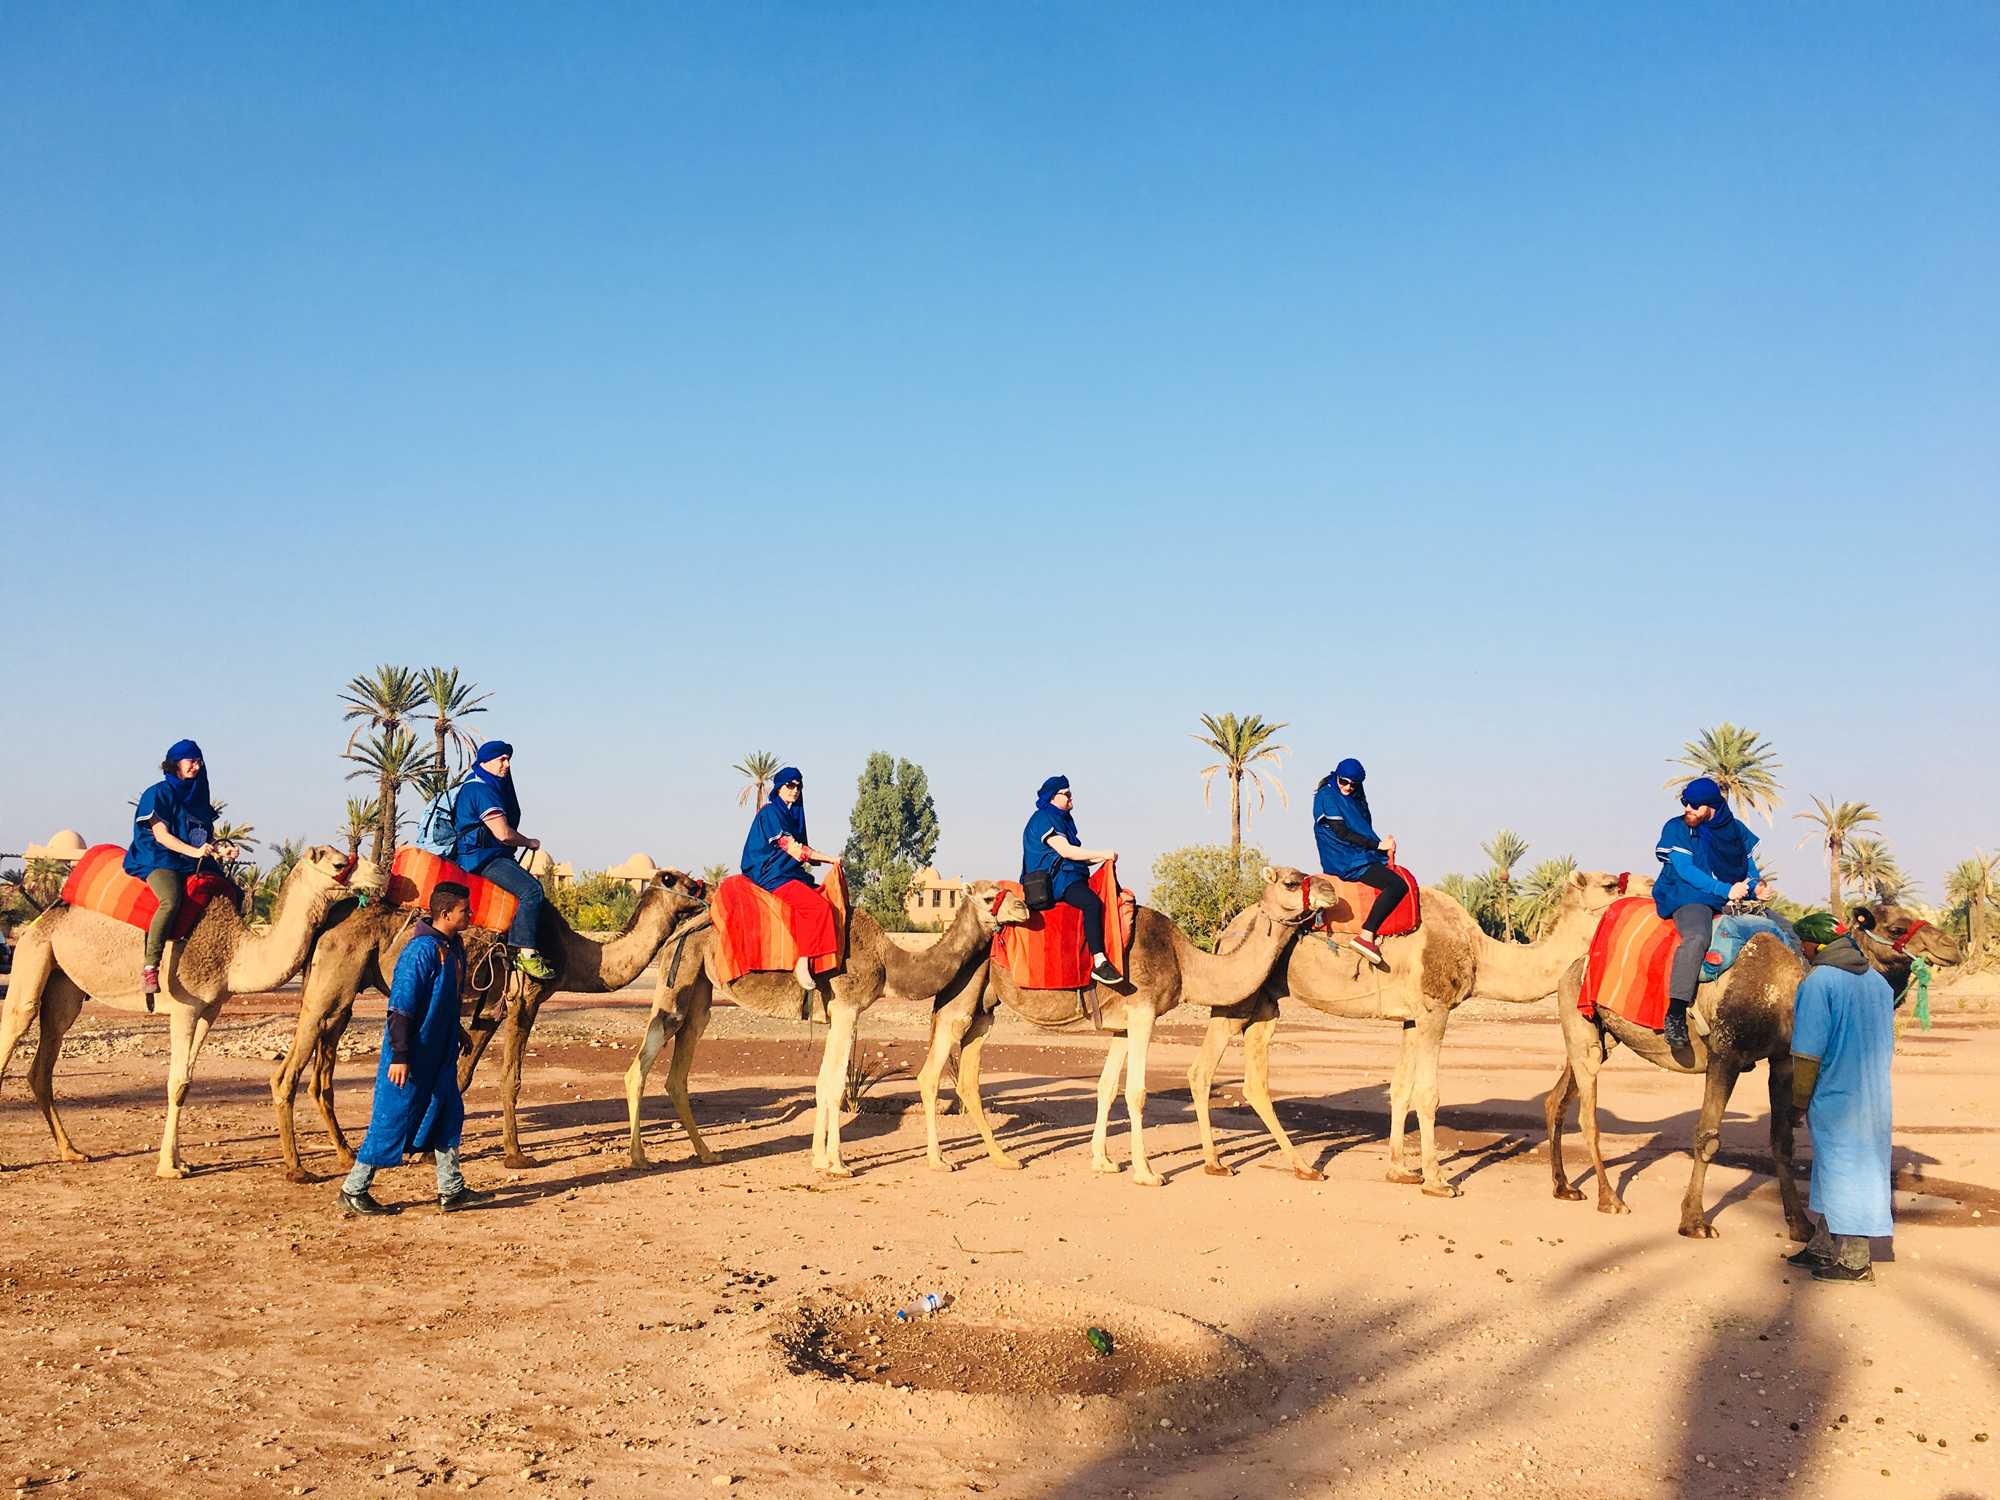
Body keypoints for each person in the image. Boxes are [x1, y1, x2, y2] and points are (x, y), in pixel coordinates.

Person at [338, 881, 492, 1216]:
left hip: (440, 1053)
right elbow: (401, 1006)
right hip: (410, 1055)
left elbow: (445, 1001)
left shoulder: (455, 947)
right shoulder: (420, 951)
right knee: (392, 1117)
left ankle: (451, 1189)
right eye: (465, 910)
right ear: (446, 913)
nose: (470, 915)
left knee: (447, 1114)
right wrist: (401, 1055)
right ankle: (353, 1189)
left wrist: (458, 1032)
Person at [1786, 910, 1896, 1284]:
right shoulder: (1879, 984)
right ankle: (1820, 1245)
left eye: (1803, 944)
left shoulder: (1820, 982)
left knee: (1846, 1168)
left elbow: (1807, 1052)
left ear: (1816, 944)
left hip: (1836, 1094)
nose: (1801, 950)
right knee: (1836, 1168)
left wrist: (1798, 1102)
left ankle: (1855, 1261)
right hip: (1874, 1091)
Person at [1653, 776, 1772, 1052]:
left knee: (1780, 933)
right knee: (1696, 938)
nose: (1688, 809)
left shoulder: (1737, 832)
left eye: (1695, 805)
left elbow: (1749, 875)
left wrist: (1758, 888)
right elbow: (1685, 870)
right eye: (1686, 803)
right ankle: (1675, 1012)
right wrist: (1725, 889)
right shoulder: (1677, 828)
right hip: (1687, 896)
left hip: (1724, 899)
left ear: (1712, 806)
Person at [122, 738, 239, 997]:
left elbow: (203, 837)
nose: (196, 767)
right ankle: (151, 965)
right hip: (157, 857)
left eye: (199, 762)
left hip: (189, 859)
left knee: (231, 892)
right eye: (191, 761)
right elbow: (161, 835)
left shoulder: (198, 799)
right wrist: (196, 852)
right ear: (175, 764)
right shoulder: (158, 794)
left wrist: (221, 849)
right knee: (171, 899)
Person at [452, 739, 554, 980]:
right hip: (482, 859)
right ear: (485, 762)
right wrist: (529, 842)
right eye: (502, 759)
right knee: (532, 891)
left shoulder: (476, 785)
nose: (507, 765)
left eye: (508, 759)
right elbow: (503, 833)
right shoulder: (482, 790)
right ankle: (526, 953)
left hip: (480, 856)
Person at [741, 766, 841, 993]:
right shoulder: (770, 813)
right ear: (778, 788)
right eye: (790, 785)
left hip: (788, 872)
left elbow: (803, 851)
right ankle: (803, 961)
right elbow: (793, 848)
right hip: (771, 874)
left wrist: (817, 859)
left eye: (798, 786)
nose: (794, 790)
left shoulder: (792, 816)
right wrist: (829, 859)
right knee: (818, 907)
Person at [1021, 775, 1122, 985]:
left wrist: (1105, 858)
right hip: (1057, 882)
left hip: (1069, 876)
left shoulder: (1062, 820)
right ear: (1053, 797)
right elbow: (1066, 851)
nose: (1071, 798)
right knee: (1091, 903)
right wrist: (1102, 853)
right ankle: (1099, 961)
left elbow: (1078, 857)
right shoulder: (1044, 819)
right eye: (1066, 794)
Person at [1311, 758, 1407, 968]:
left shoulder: (1355, 798)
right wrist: (1378, 846)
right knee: (1397, 885)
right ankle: (1366, 935)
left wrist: (1382, 845)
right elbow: (1342, 832)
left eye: (1353, 784)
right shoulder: (1327, 796)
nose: (1348, 787)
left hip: (1356, 852)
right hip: (1343, 857)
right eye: (1344, 782)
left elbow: (1362, 826)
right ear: (1337, 776)